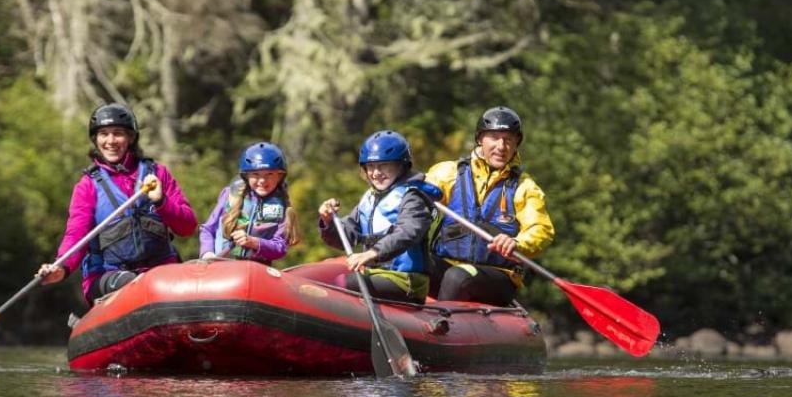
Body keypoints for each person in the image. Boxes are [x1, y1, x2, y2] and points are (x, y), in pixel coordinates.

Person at [37, 103, 197, 303]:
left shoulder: (158, 174)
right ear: (96, 139)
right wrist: (61, 267)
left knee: (180, 282)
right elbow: (76, 235)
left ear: (131, 138)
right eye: (103, 134)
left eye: (118, 133)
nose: (110, 141)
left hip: (160, 271)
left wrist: (161, 201)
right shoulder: (87, 186)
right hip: (109, 275)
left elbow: (187, 227)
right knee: (131, 283)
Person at [424, 105, 554, 306]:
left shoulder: (525, 187)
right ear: (480, 139)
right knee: (413, 259)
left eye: (508, 139)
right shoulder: (448, 172)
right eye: (494, 137)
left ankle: (442, 321)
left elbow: (541, 230)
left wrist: (517, 243)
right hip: (447, 264)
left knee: (457, 276)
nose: (501, 146)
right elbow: (418, 197)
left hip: (497, 277)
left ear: (516, 144)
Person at [317, 130, 442, 304]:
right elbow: (347, 236)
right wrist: (328, 221)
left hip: (406, 280)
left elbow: (407, 232)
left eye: (384, 165)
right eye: (370, 166)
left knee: (342, 283)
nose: (375, 173)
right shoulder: (370, 198)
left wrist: (372, 253)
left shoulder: (413, 197)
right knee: (324, 281)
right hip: (375, 273)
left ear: (401, 166)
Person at [197, 141, 300, 263]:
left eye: (269, 174)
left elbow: (280, 247)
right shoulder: (230, 194)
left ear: (279, 176)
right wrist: (207, 253)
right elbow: (208, 229)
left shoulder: (282, 205)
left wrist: (253, 242)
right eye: (255, 174)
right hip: (221, 264)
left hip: (256, 269)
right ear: (246, 176)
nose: (262, 180)